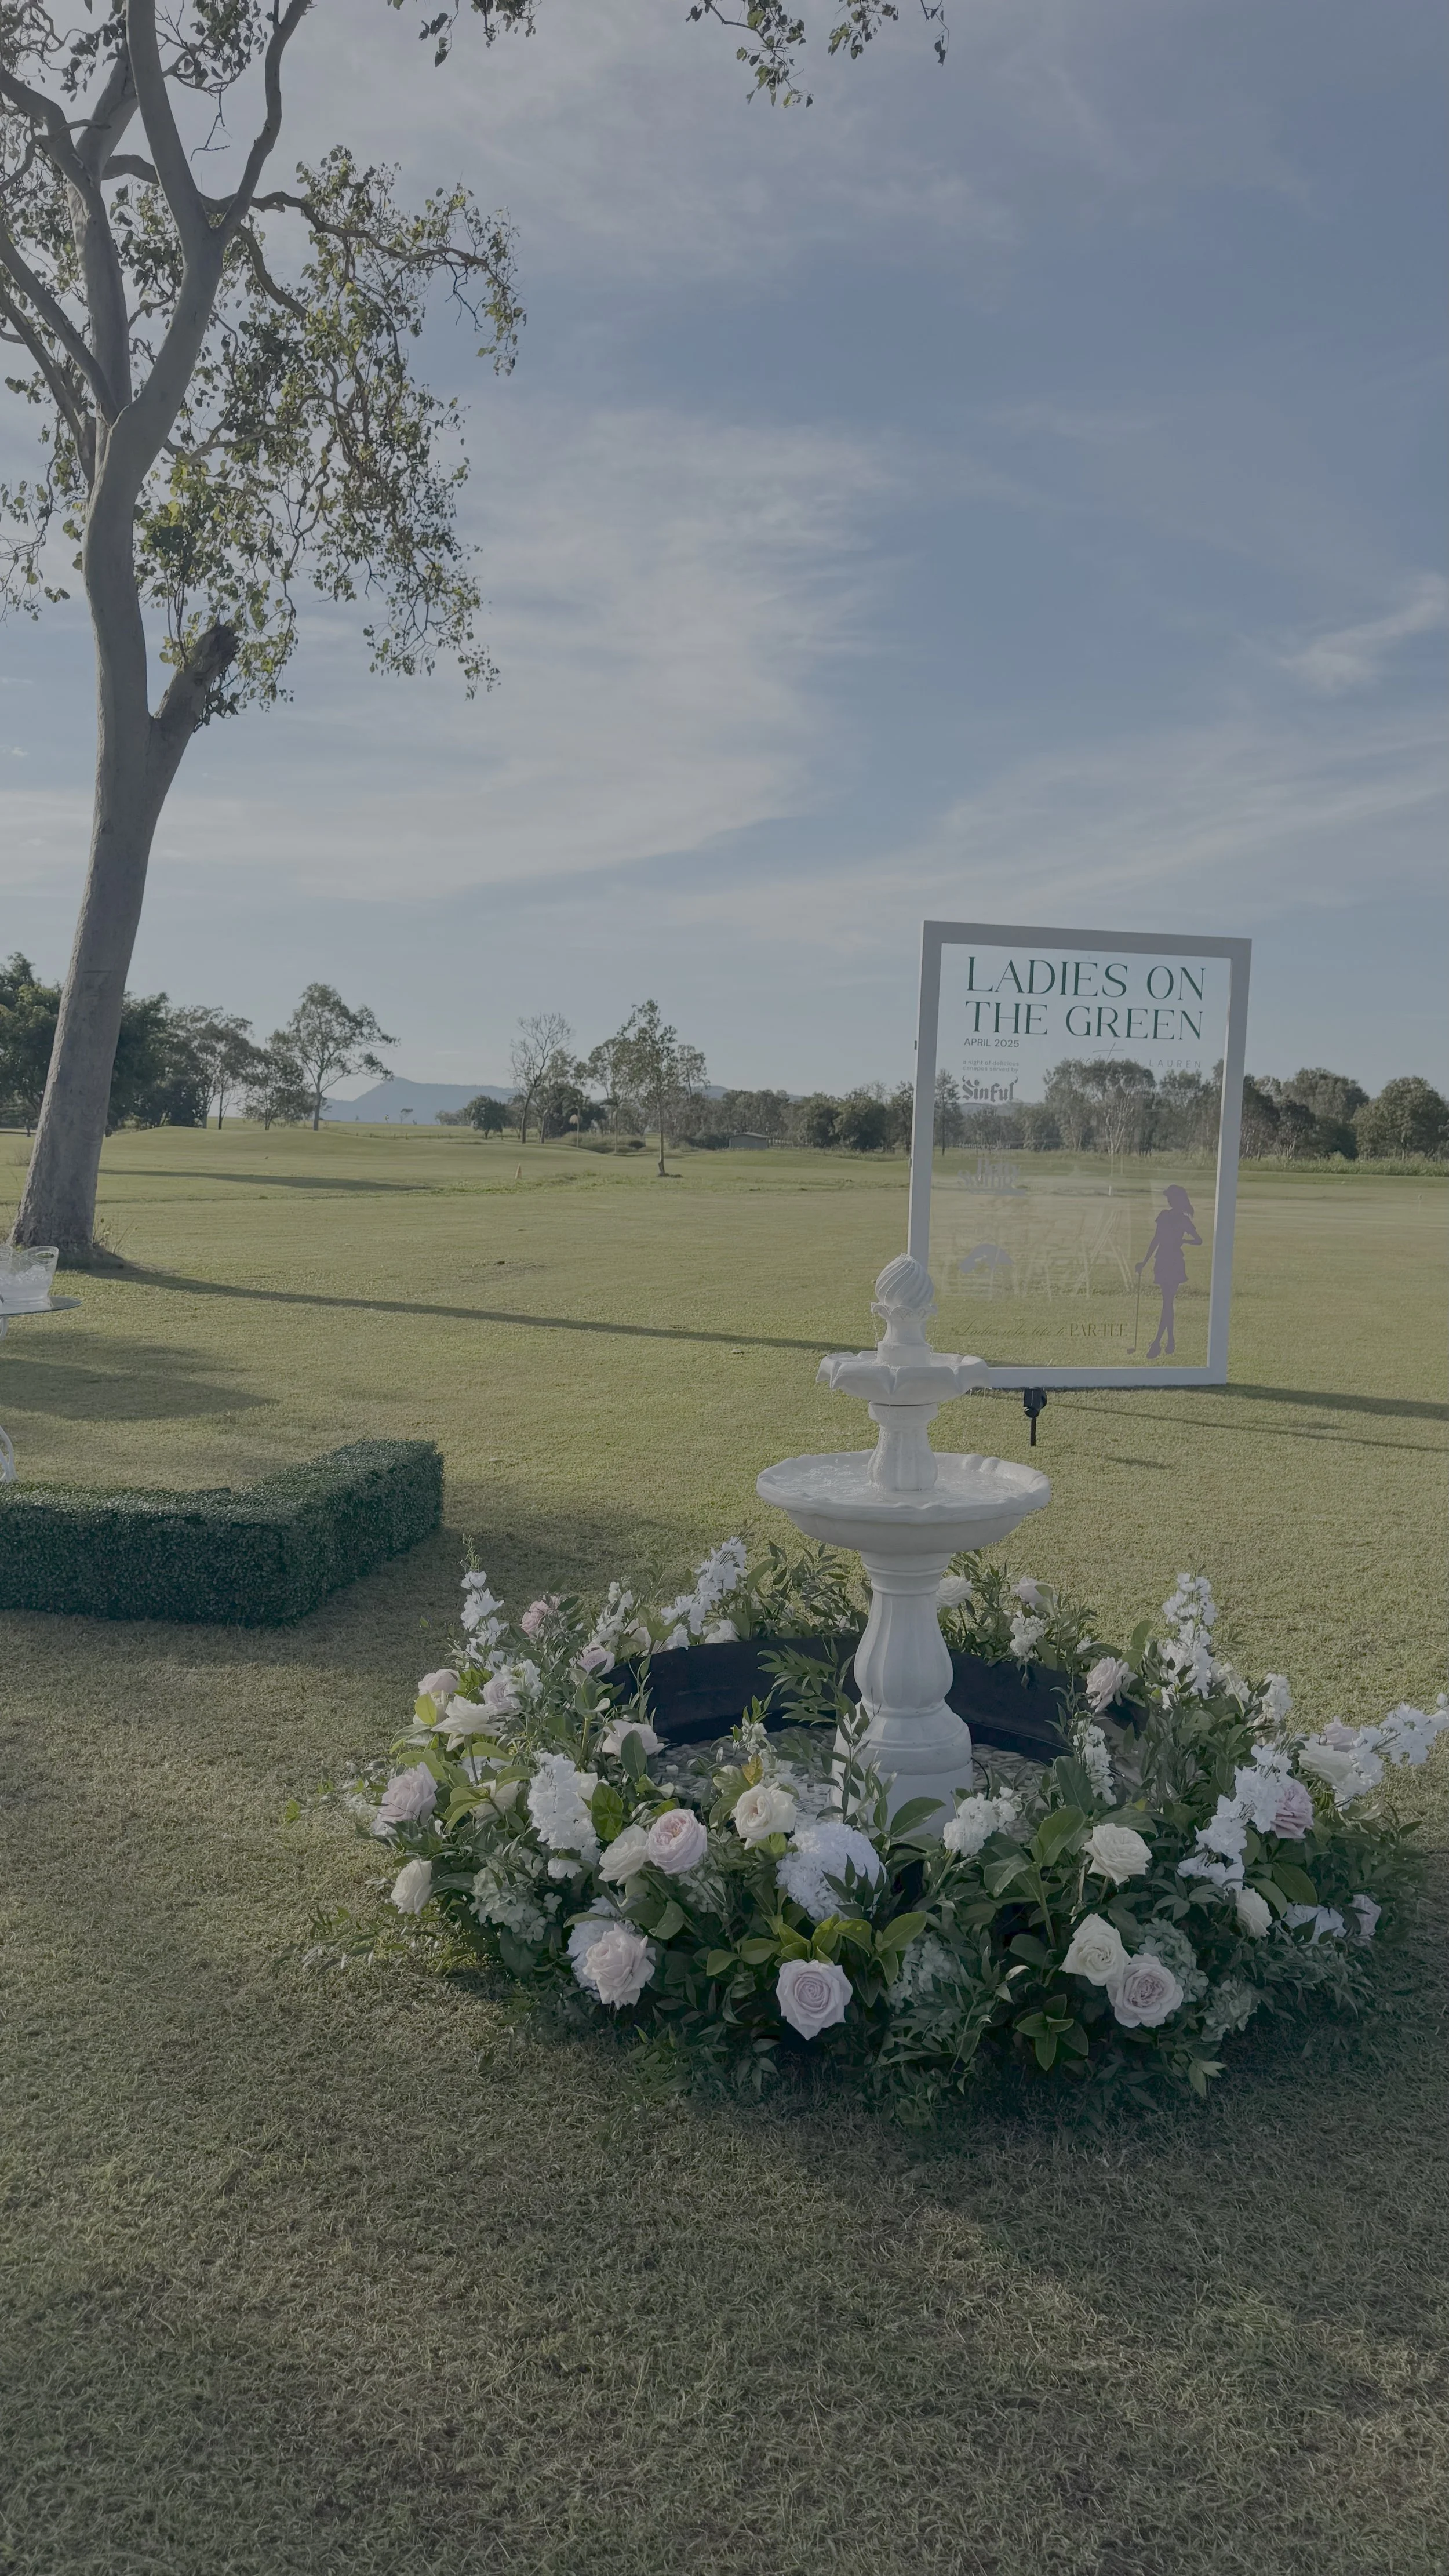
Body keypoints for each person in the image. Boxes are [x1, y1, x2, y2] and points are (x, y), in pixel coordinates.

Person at [1136, 1184, 1201, 1359]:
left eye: (1171, 1198)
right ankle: (1169, 1340)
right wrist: (1144, 1261)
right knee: (1168, 1303)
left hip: (1172, 1262)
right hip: (1164, 1261)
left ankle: (1157, 1342)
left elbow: (1198, 1240)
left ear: (1177, 1200)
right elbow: (1155, 1240)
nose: (1169, 1201)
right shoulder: (1167, 1216)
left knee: (1167, 1303)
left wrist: (1184, 1242)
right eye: (1169, 1198)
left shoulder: (1181, 1219)